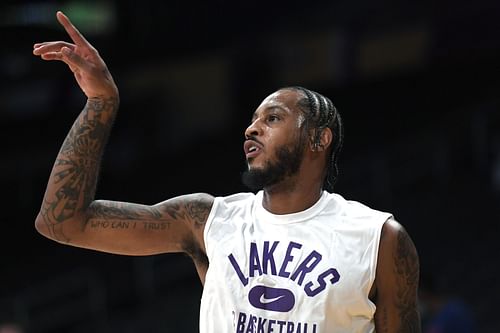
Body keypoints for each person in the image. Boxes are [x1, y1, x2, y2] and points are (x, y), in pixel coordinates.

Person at [33, 11, 421, 333]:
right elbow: (61, 222)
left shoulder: (379, 238)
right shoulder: (208, 220)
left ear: (319, 140)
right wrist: (101, 104)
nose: (252, 129)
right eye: (253, 120)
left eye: (273, 118)